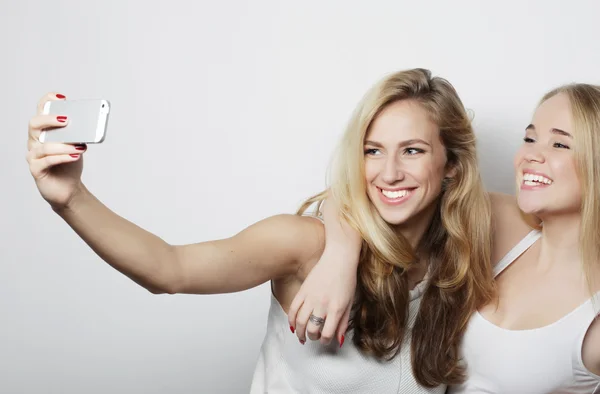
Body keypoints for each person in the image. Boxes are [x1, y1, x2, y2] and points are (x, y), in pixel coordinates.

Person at [25, 68, 494, 393]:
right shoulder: (307, 244)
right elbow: (169, 269)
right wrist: (72, 198)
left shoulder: (461, 256)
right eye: (372, 151)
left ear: (451, 164)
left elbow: (554, 216)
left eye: (411, 150)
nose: (389, 172)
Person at [292, 83, 600, 392]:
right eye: (530, 138)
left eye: (559, 145)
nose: (531, 155)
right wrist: (339, 257)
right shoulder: (498, 223)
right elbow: (359, 194)